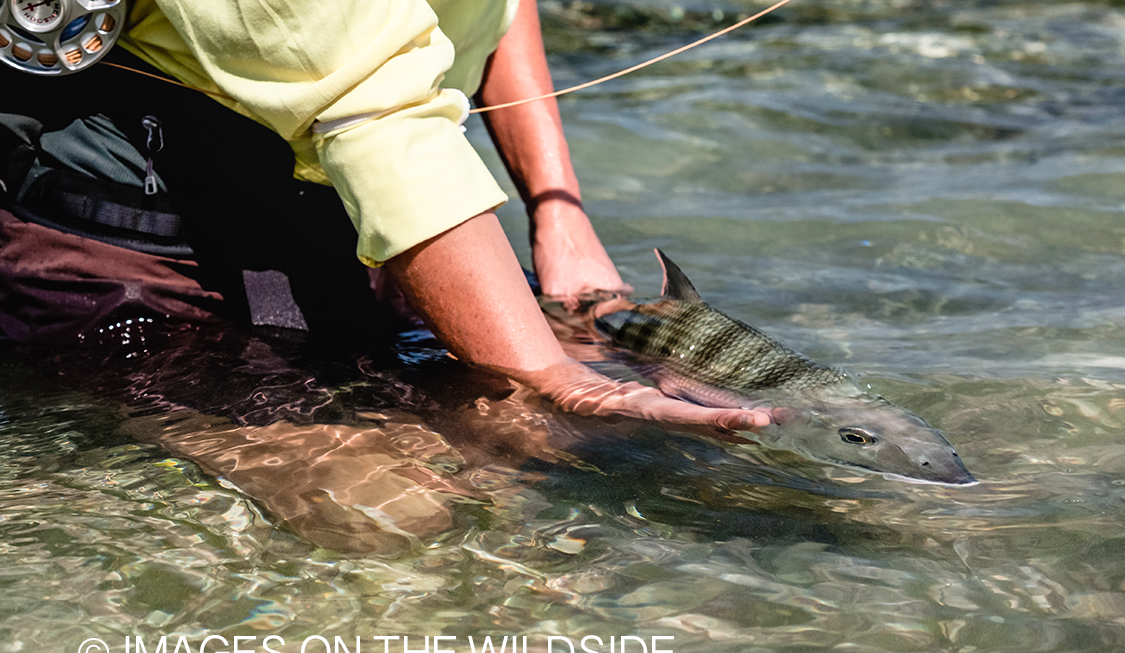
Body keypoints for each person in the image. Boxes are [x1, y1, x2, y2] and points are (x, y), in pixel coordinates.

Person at [0, 0, 770, 552]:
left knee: (608, 442)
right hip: (134, 264)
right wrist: (553, 374)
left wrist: (557, 214)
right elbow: (379, 121)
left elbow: (494, 12)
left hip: (348, 225)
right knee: (396, 510)